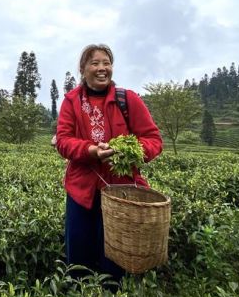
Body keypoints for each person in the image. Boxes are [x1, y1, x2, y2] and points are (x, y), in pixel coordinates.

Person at [55, 44, 163, 281]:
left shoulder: (128, 100)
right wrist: (91, 150)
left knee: (115, 260)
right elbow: (63, 141)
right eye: (95, 63)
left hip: (121, 193)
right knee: (79, 260)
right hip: (81, 192)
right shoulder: (72, 101)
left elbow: (154, 140)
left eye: (107, 63)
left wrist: (129, 152)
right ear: (83, 69)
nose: (102, 68)